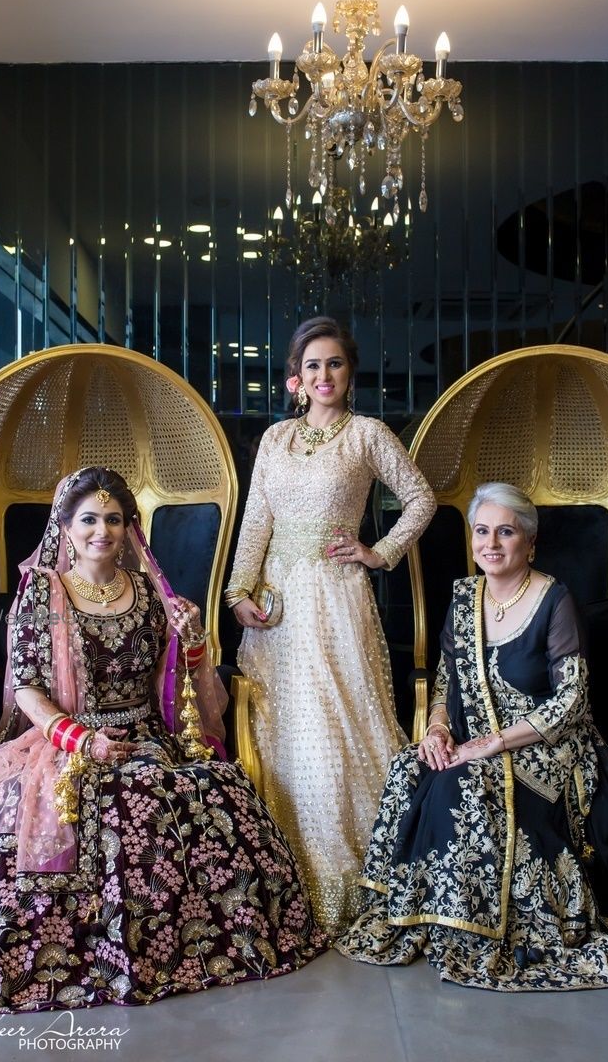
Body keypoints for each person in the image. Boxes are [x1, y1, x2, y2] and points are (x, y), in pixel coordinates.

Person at [0, 467, 324, 1012]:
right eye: (89, 519)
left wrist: (192, 640)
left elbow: (179, 684)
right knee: (104, 804)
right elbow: (28, 688)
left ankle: (188, 949)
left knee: (206, 794)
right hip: (64, 741)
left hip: (149, 736)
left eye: (113, 519)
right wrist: (81, 739)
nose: (101, 530)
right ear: (66, 526)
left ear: (130, 527)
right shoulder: (44, 592)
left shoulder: (150, 592)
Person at [337, 482, 608, 989]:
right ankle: (425, 913)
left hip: (550, 747)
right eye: (483, 531)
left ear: (529, 542)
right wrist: (437, 728)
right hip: (469, 735)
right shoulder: (463, 597)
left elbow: (571, 702)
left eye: (506, 532)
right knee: (411, 767)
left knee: (466, 782)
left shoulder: (554, 600)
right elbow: (445, 681)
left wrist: (494, 742)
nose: (492, 544)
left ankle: (477, 926)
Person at [224, 318, 435, 934]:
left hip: (338, 596)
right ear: (296, 378)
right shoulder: (275, 439)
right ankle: (278, 874)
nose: (324, 376)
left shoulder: (367, 435)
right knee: (278, 726)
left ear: (350, 374)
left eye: (335, 364)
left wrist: (379, 551)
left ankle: (357, 876)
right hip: (277, 604)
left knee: (338, 719)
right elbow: (257, 519)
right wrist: (239, 592)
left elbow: (420, 498)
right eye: (313, 366)